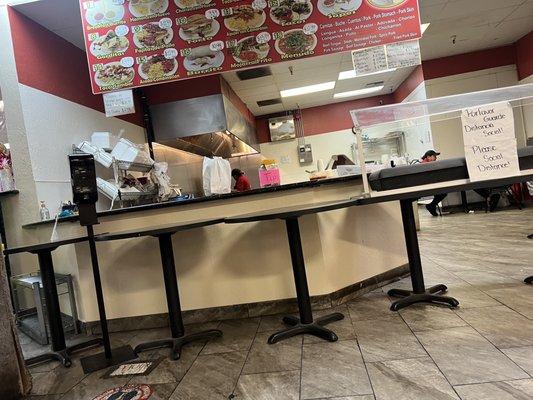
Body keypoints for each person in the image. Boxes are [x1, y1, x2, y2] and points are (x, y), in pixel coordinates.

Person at [421, 150, 447, 216]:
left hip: (431, 184)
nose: (436, 158)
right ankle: (431, 206)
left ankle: (431, 206)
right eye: (434, 156)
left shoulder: (427, 164)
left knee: (442, 193)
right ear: (428, 157)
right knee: (443, 193)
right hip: (427, 186)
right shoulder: (425, 165)